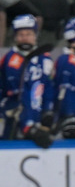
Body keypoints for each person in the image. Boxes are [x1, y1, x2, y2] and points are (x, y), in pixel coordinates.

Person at [0, 14, 55, 148]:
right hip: (12, 119)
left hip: (37, 118)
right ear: (15, 37)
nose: (25, 38)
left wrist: (48, 112)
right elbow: (15, 94)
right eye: (21, 34)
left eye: (29, 34)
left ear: (35, 35)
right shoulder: (9, 59)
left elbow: (48, 87)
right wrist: (27, 125)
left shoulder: (45, 59)